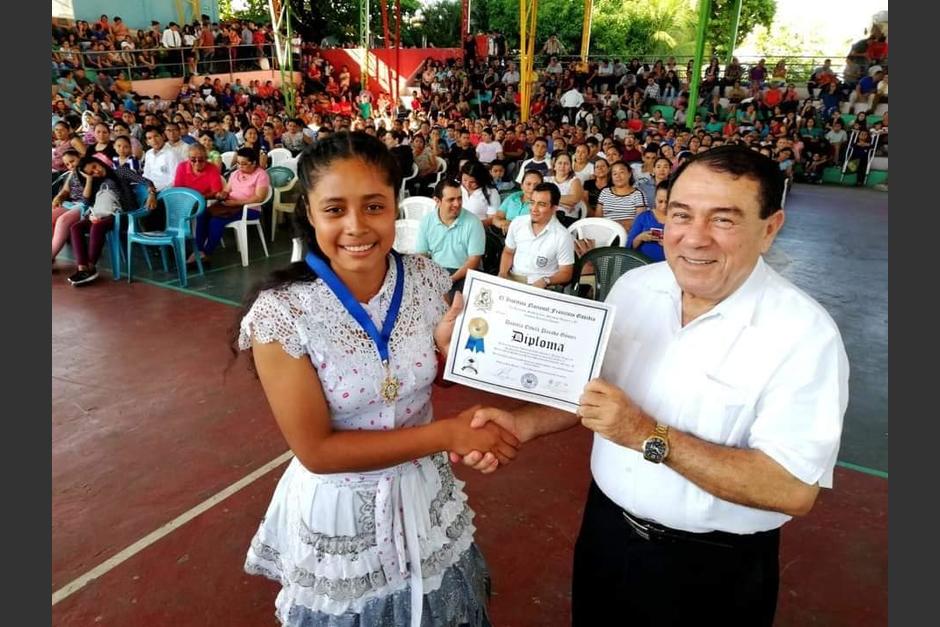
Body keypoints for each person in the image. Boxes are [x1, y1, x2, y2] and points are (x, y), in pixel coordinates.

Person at [455, 145, 848, 627]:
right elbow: (600, 389)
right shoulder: (637, 287)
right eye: (681, 214)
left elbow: (792, 488)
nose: (695, 239)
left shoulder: (803, 334)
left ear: (770, 228)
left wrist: (645, 434)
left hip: (712, 569)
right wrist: (524, 422)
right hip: (606, 533)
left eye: (724, 220)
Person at [234, 131, 518, 627]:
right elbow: (318, 452)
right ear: (309, 211)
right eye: (335, 209)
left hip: (424, 494)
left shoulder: (427, 278)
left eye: (373, 206)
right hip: (343, 509)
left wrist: (448, 356)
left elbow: (421, 377)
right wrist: (449, 433)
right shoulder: (282, 314)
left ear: (396, 205)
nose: (356, 226)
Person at [67, 155, 157, 285]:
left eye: (94, 166)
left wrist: (151, 194)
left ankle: (91, 268)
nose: (96, 172)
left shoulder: (120, 171)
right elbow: (86, 202)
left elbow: (145, 181)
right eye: (91, 173)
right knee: (75, 227)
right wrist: (89, 180)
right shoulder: (96, 182)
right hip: (101, 214)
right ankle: (82, 268)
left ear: (98, 162)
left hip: (123, 215)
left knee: (97, 227)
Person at [190, 147, 269, 266]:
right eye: (238, 163)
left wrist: (237, 203)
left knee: (216, 221)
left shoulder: (261, 175)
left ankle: (206, 253)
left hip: (249, 208)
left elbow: (259, 198)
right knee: (202, 214)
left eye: (244, 164)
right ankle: (199, 250)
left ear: (253, 163)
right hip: (229, 206)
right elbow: (227, 190)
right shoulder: (235, 173)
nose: (240, 166)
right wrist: (223, 194)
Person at [415, 178, 486, 296]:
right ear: (437, 201)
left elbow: (474, 261)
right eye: (451, 200)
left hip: (464, 274)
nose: (457, 204)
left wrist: (450, 280)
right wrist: (427, 277)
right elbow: (421, 256)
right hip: (437, 272)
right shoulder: (426, 221)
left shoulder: (473, 222)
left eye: (459, 198)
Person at [498, 182, 575, 288]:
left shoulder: (562, 236)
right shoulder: (517, 223)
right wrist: (502, 273)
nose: (534, 209)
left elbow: (566, 273)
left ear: (554, 208)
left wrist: (546, 280)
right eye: (532, 202)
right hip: (513, 279)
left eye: (541, 204)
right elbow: (508, 251)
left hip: (541, 286)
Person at [595, 161, 646, 231]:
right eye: (614, 173)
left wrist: (614, 225)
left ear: (629, 174)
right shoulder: (605, 192)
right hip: (606, 231)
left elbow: (640, 220)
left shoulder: (638, 194)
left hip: (628, 233)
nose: (618, 176)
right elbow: (598, 217)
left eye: (621, 172)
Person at [625, 180, 668, 262]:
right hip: (643, 265)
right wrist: (640, 237)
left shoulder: (679, 220)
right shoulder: (644, 217)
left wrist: (669, 244)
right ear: (654, 199)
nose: (663, 206)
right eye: (660, 201)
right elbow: (628, 248)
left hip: (669, 268)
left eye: (667, 202)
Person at [492, 169, 543, 234]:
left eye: (536, 185)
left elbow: (538, 227)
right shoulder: (513, 197)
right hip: (504, 234)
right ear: (522, 186)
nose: (532, 188)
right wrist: (504, 224)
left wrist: (512, 226)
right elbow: (496, 218)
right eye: (528, 184)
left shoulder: (543, 204)